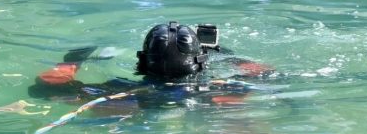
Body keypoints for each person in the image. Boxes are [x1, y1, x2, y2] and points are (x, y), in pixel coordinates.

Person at [29, 22, 273, 128]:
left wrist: (74, 60)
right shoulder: (227, 93)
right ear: (201, 62)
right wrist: (230, 56)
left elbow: (46, 87)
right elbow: (268, 74)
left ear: (142, 61)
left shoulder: (116, 95)